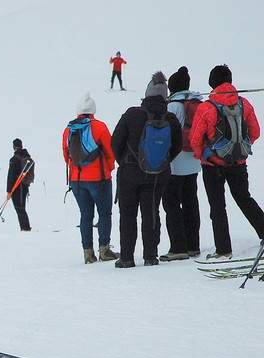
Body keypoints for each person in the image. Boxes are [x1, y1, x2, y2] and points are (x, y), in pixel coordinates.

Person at [190, 64, 264, 260]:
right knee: (244, 199)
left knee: (217, 206)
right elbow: (255, 132)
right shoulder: (243, 103)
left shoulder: (207, 107)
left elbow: (195, 138)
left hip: (212, 165)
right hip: (239, 163)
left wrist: (203, 155)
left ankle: (223, 250)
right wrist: (240, 149)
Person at [111, 72, 182, 268]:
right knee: (151, 213)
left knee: (127, 215)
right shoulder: (171, 118)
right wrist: (161, 162)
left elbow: (115, 142)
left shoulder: (132, 114)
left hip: (130, 173)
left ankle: (126, 258)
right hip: (158, 175)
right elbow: (177, 146)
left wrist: (125, 162)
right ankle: (150, 256)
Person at [61, 92, 119, 264]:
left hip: (77, 179)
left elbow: (66, 154)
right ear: (93, 110)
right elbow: (110, 151)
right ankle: (104, 250)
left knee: (85, 215)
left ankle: (88, 253)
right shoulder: (100, 127)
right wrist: (108, 168)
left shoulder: (68, 129)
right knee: (104, 214)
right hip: (99, 179)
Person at [160, 66, 203, 261]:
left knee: (171, 204)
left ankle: (178, 247)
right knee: (191, 202)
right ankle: (193, 245)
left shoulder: (173, 106)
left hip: (175, 164)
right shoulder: (196, 102)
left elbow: (168, 134)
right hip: (194, 161)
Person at [6, 138, 33, 232]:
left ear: (14, 147)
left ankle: (25, 228)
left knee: (19, 208)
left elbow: (11, 176)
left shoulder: (14, 159)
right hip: (25, 186)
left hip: (17, 187)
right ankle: (25, 228)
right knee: (22, 208)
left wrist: (9, 191)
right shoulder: (26, 157)